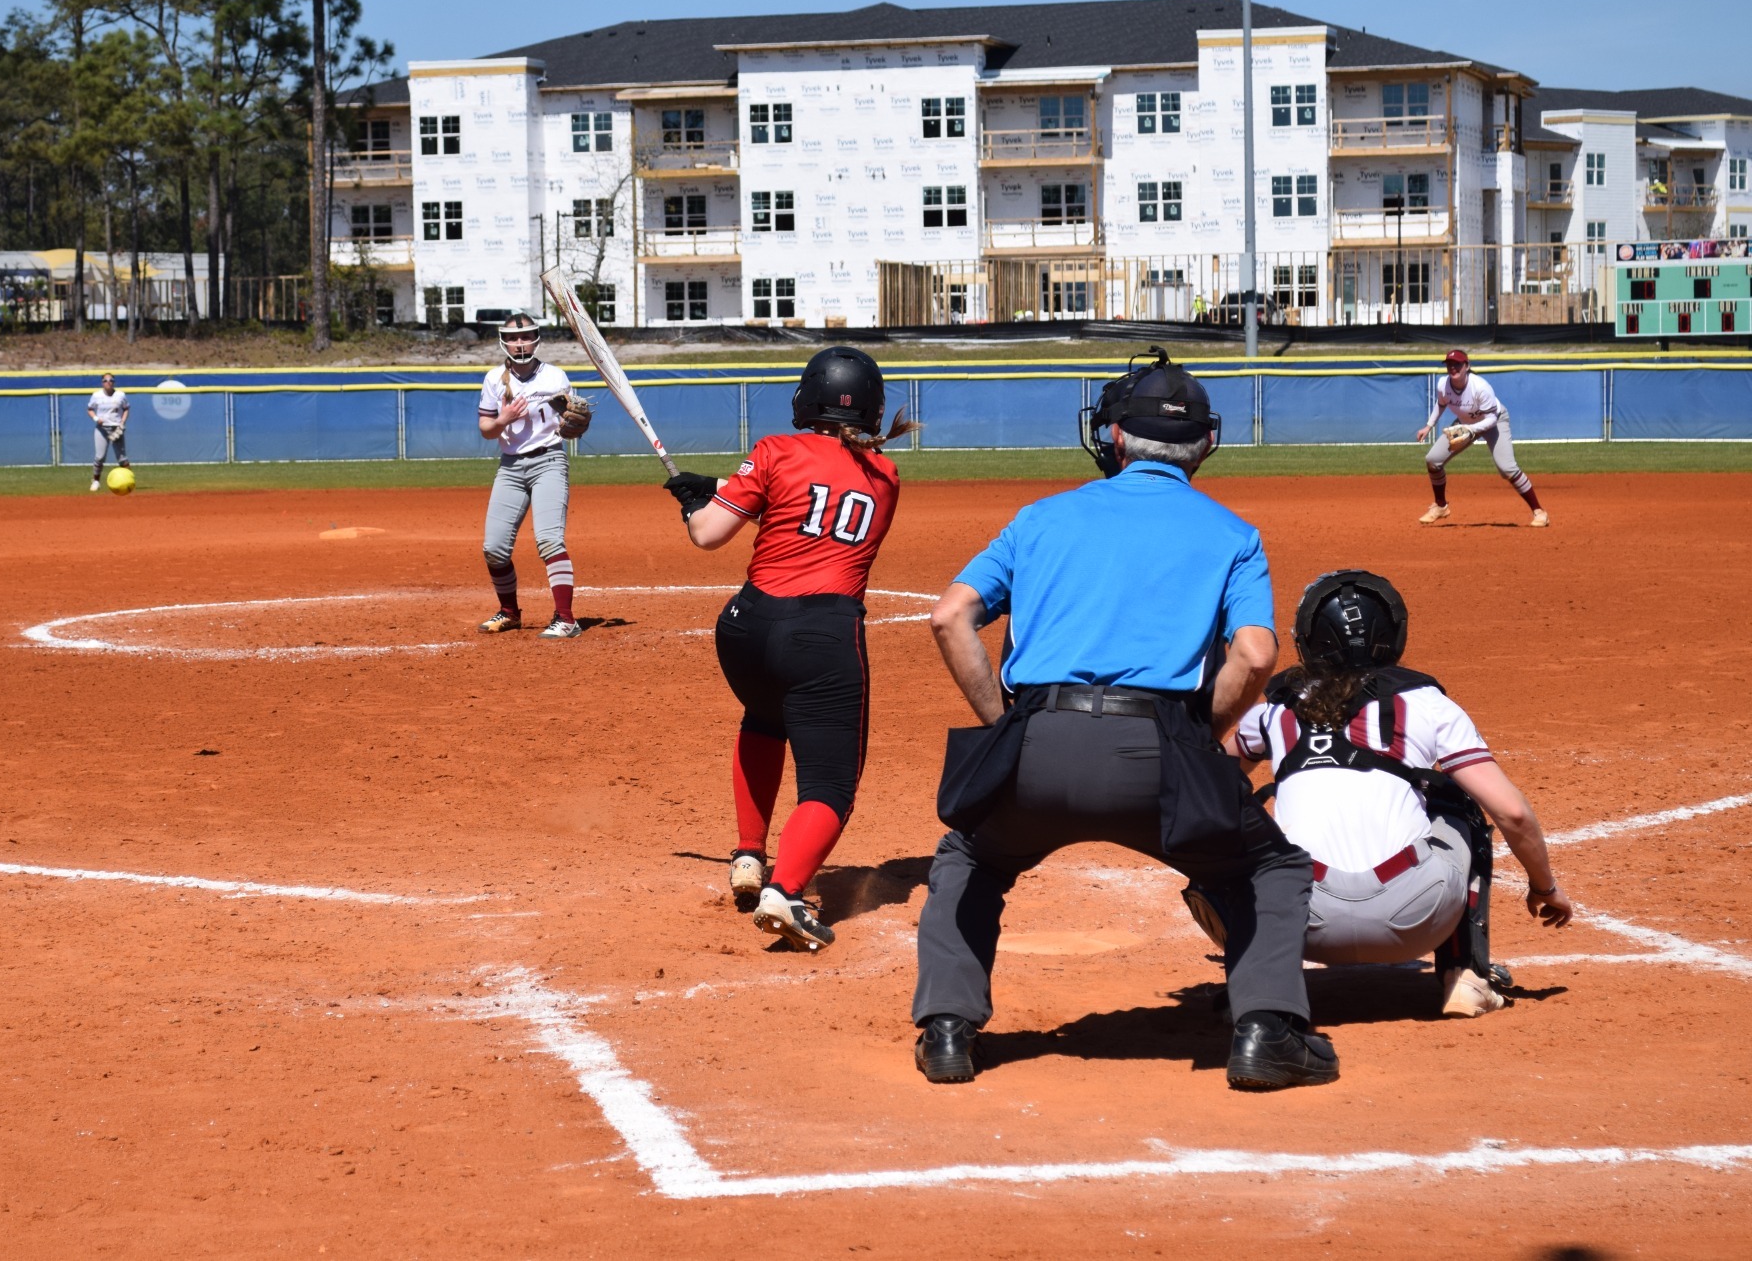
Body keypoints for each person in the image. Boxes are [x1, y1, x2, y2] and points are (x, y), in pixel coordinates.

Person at [913, 348, 1336, 1092]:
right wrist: (1199, 736)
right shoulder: (1232, 533)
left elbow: (951, 617)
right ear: (1206, 444)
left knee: (970, 858)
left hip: (1038, 742)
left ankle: (948, 1029)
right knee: (1268, 864)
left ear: (1113, 438)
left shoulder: (1040, 517)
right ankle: (1266, 1030)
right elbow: (1257, 652)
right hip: (1162, 752)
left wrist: (1005, 727)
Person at [1197, 570, 1574, 1017]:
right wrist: (1544, 885)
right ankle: (1467, 977)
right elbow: (1512, 814)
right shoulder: (1428, 704)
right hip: (1417, 917)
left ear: (1306, 640)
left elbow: (1209, 784)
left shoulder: (1272, 712)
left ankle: (1254, 980)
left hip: (1298, 923)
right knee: (1461, 808)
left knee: (1221, 813)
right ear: (1394, 634)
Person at [662, 347, 909, 952]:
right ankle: (788, 890)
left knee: (764, 718)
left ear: (806, 399)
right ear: (873, 409)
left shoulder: (773, 450)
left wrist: (701, 499)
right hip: (822, 635)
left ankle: (749, 855)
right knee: (829, 785)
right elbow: (818, 502)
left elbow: (709, 534)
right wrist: (724, 488)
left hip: (745, 629)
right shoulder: (886, 475)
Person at [476, 311, 588, 639]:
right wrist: (503, 419)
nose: (520, 342)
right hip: (510, 467)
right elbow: (485, 429)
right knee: (494, 548)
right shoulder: (494, 379)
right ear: (503, 340)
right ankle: (510, 613)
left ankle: (566, 619)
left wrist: (575, 424)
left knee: (549, 539)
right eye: (513, 337)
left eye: (525, 336)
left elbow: (571, 418)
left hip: (548, 462)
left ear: (536, 338)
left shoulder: (555, 377)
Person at [1416, 350, 1548, 528]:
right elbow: (1440, 405)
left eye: (1457, 364)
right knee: (1432, 460)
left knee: (1507, 468)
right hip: (1465, 424)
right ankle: (1440, 506)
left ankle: (1539, 512)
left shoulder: (1480, 387)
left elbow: (1491, 419)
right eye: (1449, 364)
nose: (1452, 368)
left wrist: (1469, 429)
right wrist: (1429, 426)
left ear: (1467, 366)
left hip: (1494, 422)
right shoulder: (1443, 385)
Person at [85, 372, 132, 492]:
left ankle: (130, 481)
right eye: (105, 381)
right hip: (102, 429)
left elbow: (126, 408)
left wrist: (122, 422)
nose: (108, 383)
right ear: (102, 383)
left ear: (114, 382)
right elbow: (90, 409)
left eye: (111, 380)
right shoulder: (97, 395)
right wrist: (96, 418)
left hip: (116, 428)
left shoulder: (120, 395)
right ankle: (96, 481)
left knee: (122, 459)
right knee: (100, 457)